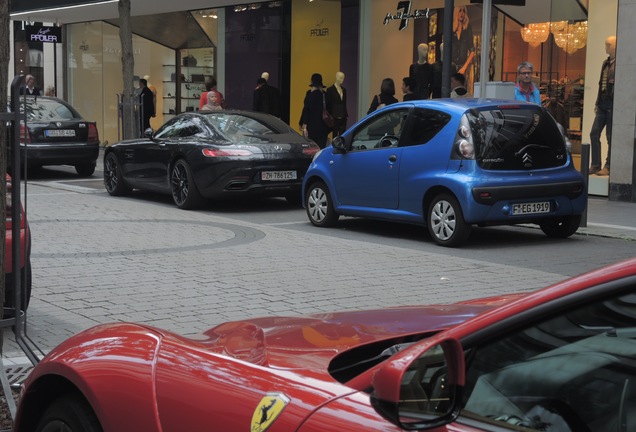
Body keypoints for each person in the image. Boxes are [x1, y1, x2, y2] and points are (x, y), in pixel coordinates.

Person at [590, 36, 617, 176]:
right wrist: (596, 102)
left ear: (615, 46)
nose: (606, 47)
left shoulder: (620, 63)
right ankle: (595, 164)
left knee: (610, 136)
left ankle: (609, 165)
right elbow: (601, 84)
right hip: (602, 104)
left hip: (612, 105)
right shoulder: (605, 63)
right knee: (594, 133)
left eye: (608, 44)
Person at [299, 73, 331, 149]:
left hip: (312, 127)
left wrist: (303, 124)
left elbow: (306, 110)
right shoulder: (325, 95)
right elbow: (330, 111)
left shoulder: (309, 95)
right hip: (323, 127)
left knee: (312, 149)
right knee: (321, 148)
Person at [452, 6, 475, 92]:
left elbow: (472, 51)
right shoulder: (451, 30)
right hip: (452, 66)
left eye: (463, 11)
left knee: (462, 91)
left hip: (463, 66)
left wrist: (464, 67)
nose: (461, 14)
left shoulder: (467, 29)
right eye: (460, 11)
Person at [325, 71, 348, 137]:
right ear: (336, 77)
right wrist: (330, 115)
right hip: (334, 116)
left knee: (343, 136)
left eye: (343, 78)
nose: (342, 80)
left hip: (343, 116)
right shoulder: (330, 90)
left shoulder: (344, 90)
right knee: (334, 135)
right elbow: (328, 104)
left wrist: (345, 115)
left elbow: (344, 103)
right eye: (340, 78)